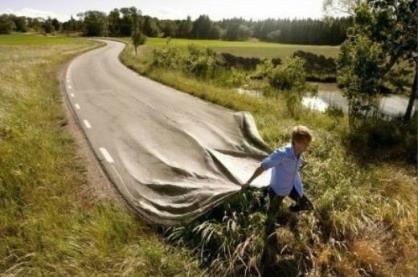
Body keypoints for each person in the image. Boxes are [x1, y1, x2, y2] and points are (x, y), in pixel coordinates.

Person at [242, 125, 314, 237]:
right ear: (295, 141)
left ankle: (292, 210)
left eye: (307, 144)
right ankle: (268, 238)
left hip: (291, 187)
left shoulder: (299, 153)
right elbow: (263, 166)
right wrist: (248, 181)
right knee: (271, 218)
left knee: (308, 205)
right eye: (304, 143)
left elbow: (295, 167)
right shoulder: (282, 154)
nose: (306, 147)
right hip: (277, 191)